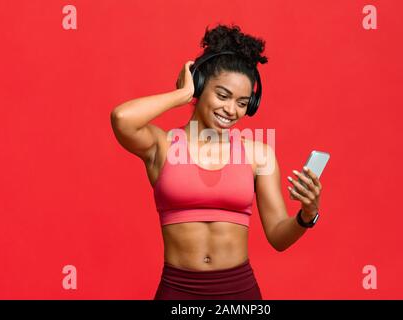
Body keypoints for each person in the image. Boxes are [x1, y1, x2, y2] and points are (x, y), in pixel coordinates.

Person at [110, 23, 323, 300]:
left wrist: (307, 215)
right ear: (199, 86)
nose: (231, 110)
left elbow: (278, 237)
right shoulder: (161, 145)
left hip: (240, 295)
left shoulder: (258, 154)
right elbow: (121, 119)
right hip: (178, 292)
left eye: (242, 102)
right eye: (222, 95)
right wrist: (181, 95)